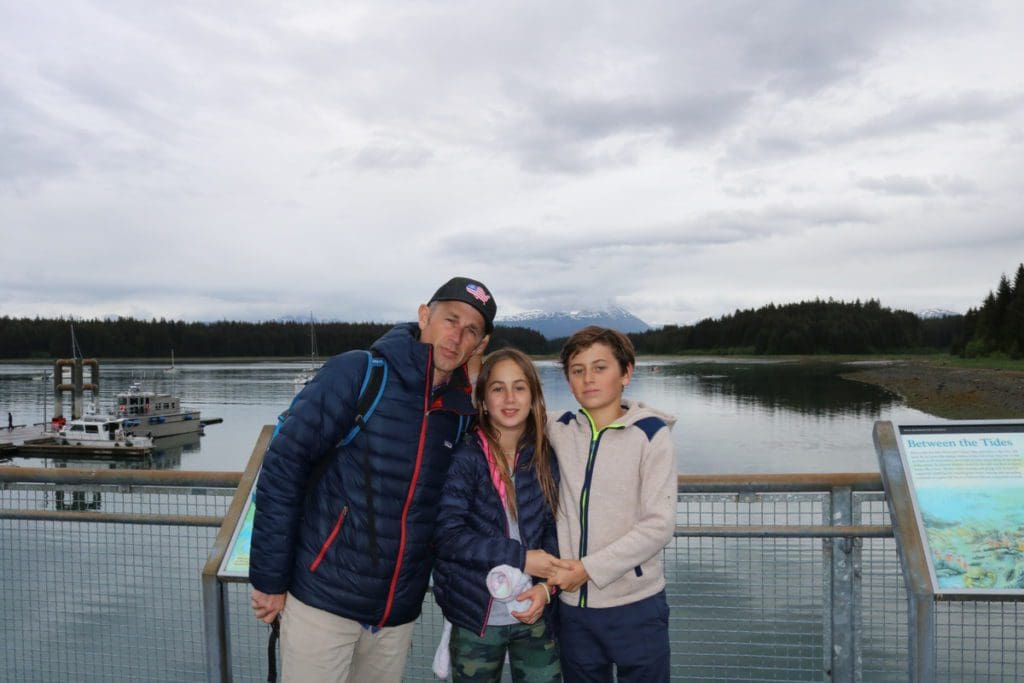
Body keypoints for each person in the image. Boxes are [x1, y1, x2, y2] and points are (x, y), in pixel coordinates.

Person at [249, 276, 496, 682]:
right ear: (423, 315)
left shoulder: (459, 414)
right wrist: (269, 579)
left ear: (479, 346)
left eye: (472, 330)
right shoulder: (360, 373)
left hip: (394, 619)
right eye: (451, 320)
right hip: (322, 604)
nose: (457, 336)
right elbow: (283, 466)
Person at [546, 326, 677, 683]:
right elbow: (500, 404)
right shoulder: (557, 428)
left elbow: (658, 525)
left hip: (636, 606)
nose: (588, 378)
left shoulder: (651, 434)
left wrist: (587, 569)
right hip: (575, 611)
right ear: (568, 380)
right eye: (577, 370)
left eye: (600, 367)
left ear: (626, 373)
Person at [433, 348, 562, 682]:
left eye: (519, 387)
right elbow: (449, 537)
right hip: (477, 618)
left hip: (533, 614)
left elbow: (553, 528)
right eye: (498, 388)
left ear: (533, 396)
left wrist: (547, 589)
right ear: (483, 400)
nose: (509, 398)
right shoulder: (468, 457)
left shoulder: (544, 456)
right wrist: (521, 558)